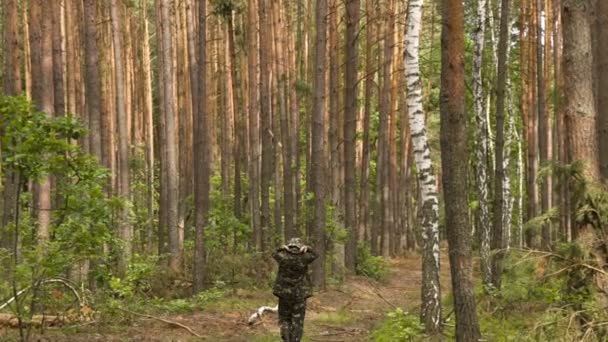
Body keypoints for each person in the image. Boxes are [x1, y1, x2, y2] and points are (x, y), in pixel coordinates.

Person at [272, 237, 318, 342]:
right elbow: (316, 254)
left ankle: (286, 339)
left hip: (284, 294)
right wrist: (308, 248)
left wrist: (281, 248)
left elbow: (273, 253)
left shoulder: (282, 256)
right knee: (298, 321)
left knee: (284, 319)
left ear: (289, 245)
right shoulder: (304, 257)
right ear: (300, 246)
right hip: (300, 294)